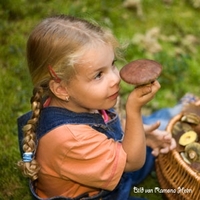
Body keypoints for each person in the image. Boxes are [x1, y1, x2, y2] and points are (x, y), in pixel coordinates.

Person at [17, 15, 176, 200]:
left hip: (109, 160)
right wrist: (134, 111)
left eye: (112, 65)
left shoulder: (81, 100)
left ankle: (180, 113)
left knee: (164, 128)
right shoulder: (70, 140)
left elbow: (106, 124)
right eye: (99, 75)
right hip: (103, 193)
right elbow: (133, 162)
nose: (116, 79)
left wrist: (143, 134)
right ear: (61, 88)